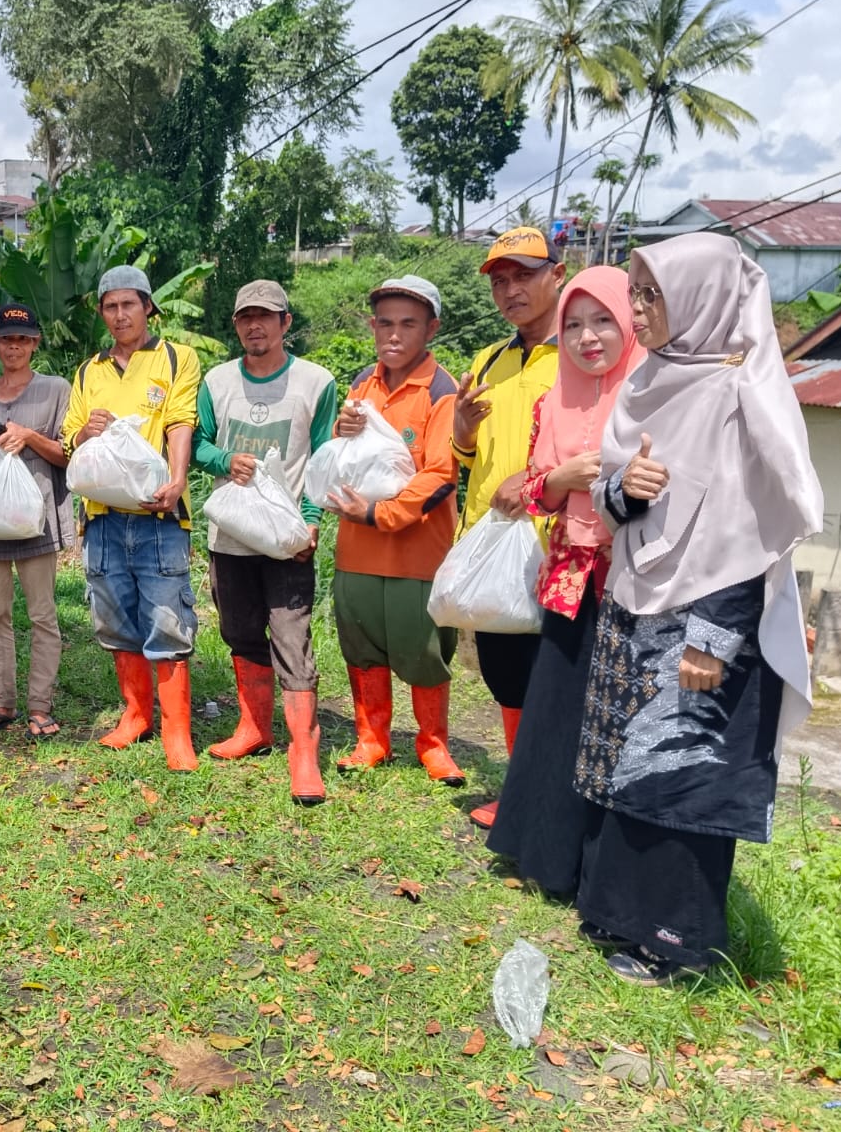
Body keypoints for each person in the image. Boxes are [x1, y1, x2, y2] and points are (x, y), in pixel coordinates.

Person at [574, 232, 821, 985]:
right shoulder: (651, 379)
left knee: (681, 773)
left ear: (700, 301)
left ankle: (675, 944)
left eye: (652, 296)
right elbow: (609, 491)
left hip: (705, 622)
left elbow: (753, 526)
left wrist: (713, 640)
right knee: (630, 769)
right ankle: (616, 913)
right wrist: (625, 489)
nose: (638, 312)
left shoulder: (736, 391)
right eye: (638, 294)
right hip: (636, 603)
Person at [485, 267, 643, 893]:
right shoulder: (556, 399)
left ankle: (602, 867)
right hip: (571, 577)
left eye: (603, 320)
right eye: (573, 325)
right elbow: (530, 488)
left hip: (636, 585)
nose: (587, 338)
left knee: (615, 725)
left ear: (630, 322)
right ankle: (544, 854)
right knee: (555, 717)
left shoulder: (650, 395)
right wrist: (564, 477)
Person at [192, 280, 335, 803]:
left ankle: (304, 750)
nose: (256, 325)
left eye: (266, 316)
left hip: (285, 537)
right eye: (246, 317)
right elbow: (198, 446)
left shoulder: (315, 383)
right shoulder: (217, 381)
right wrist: (224, 460)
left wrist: (313, 519)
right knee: (240, 629)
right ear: (236, 325)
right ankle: (255, 728)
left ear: (285, 323)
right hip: (230, 534)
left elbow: (323, 457)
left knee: (291, 637)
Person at [61, 265, 202, 771]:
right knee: (116, 619)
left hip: (157, 516)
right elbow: (68, 438)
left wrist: (178, 479)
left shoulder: (175, 358)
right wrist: (86, 433)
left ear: (148, 307)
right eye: (110, 306)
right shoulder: (88, 371)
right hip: (101, 519)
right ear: (101, 313)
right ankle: (136, 716)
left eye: (129, 304)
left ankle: (177, 734)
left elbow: (182, 422)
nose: (120, 315)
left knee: (167, 619)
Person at [327, 276, 465, 787]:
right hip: (356, 550)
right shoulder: (363, 382)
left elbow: (440, 475)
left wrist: (378, 514)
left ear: (431, 328)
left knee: (424, 649)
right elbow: (348, 453)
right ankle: (372, 739)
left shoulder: (442, 390)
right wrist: (341, 432)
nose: (394, 334)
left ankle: (433, 744)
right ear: (372, 326)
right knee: (361, 646)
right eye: (385, 322)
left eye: (408, 324)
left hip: (416, 551)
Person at [452, 226, 564, 828]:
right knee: (506, 673)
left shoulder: (578, 355)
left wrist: (535, 484)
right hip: (494, 545)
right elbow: (468, 458)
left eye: (524, 275)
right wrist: (464, 431)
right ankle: (524, 796)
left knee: (556, 677)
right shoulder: (488, 361)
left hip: (557, 550)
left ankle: (553, 804)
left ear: (557, 274)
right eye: (500, 281)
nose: (511, 290)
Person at [0, 304, 74, 739]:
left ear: (35, 343)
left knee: (43, 615)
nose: (14, 347)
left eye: (22, 339)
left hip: (36, 520)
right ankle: (1, 702)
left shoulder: (55, 390)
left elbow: (69, 454)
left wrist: (30, 436)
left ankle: (40, 706)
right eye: (6, 339)